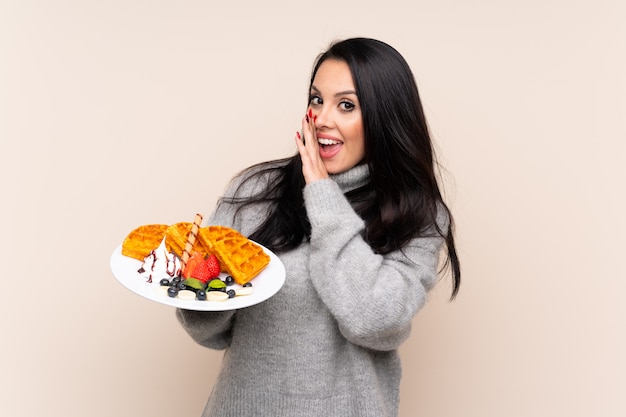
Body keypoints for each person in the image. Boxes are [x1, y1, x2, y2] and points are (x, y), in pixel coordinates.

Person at [176, 37, 461, 417]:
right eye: (316, 99)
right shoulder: (255, 191)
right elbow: (210, 332)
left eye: (346, 105)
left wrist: (322, 193)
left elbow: (373, 320)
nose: (323, 118)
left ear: (383, 117)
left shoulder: (418, 215)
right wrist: (192, 290)